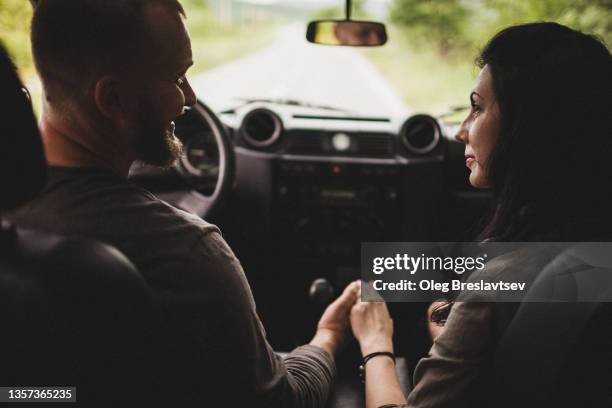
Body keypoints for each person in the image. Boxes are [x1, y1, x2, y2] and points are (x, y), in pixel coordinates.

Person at [7, 1, 360, 406]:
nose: (191, 98)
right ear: (114, 99)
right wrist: (329, 335)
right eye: (178, 78)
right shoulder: (182, 251)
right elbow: (281, 401)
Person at [349, 22, 612, 408]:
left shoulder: (498, 282)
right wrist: (457, 335)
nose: (460, 131)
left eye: (476, 107)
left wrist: (376, 345)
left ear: (530, 127)